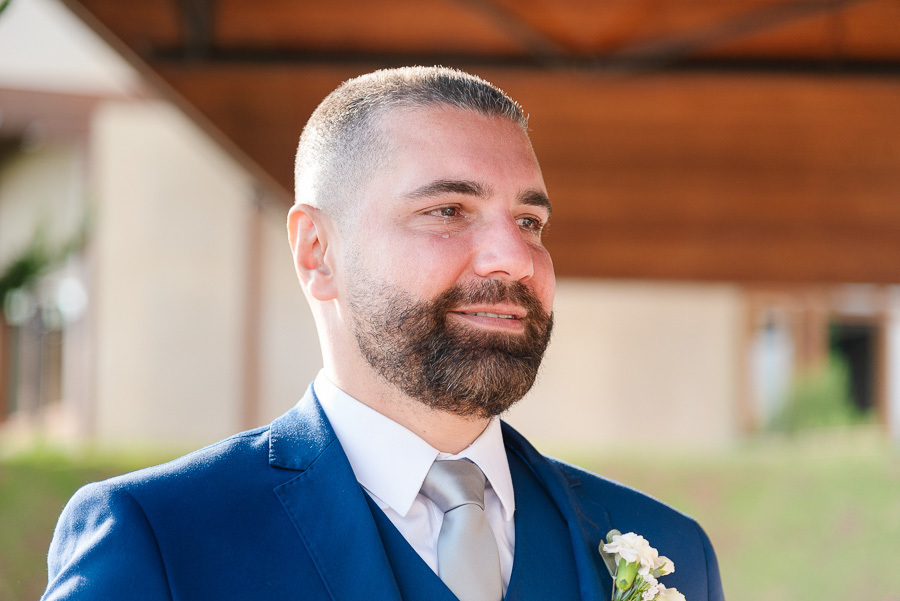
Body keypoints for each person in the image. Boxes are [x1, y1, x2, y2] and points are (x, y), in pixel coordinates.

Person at [42, 66, 725, 601]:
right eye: (449, 209)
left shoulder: (669, 549)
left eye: (529, 222)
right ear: (317, 251)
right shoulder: (160, 538)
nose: (515, 258)